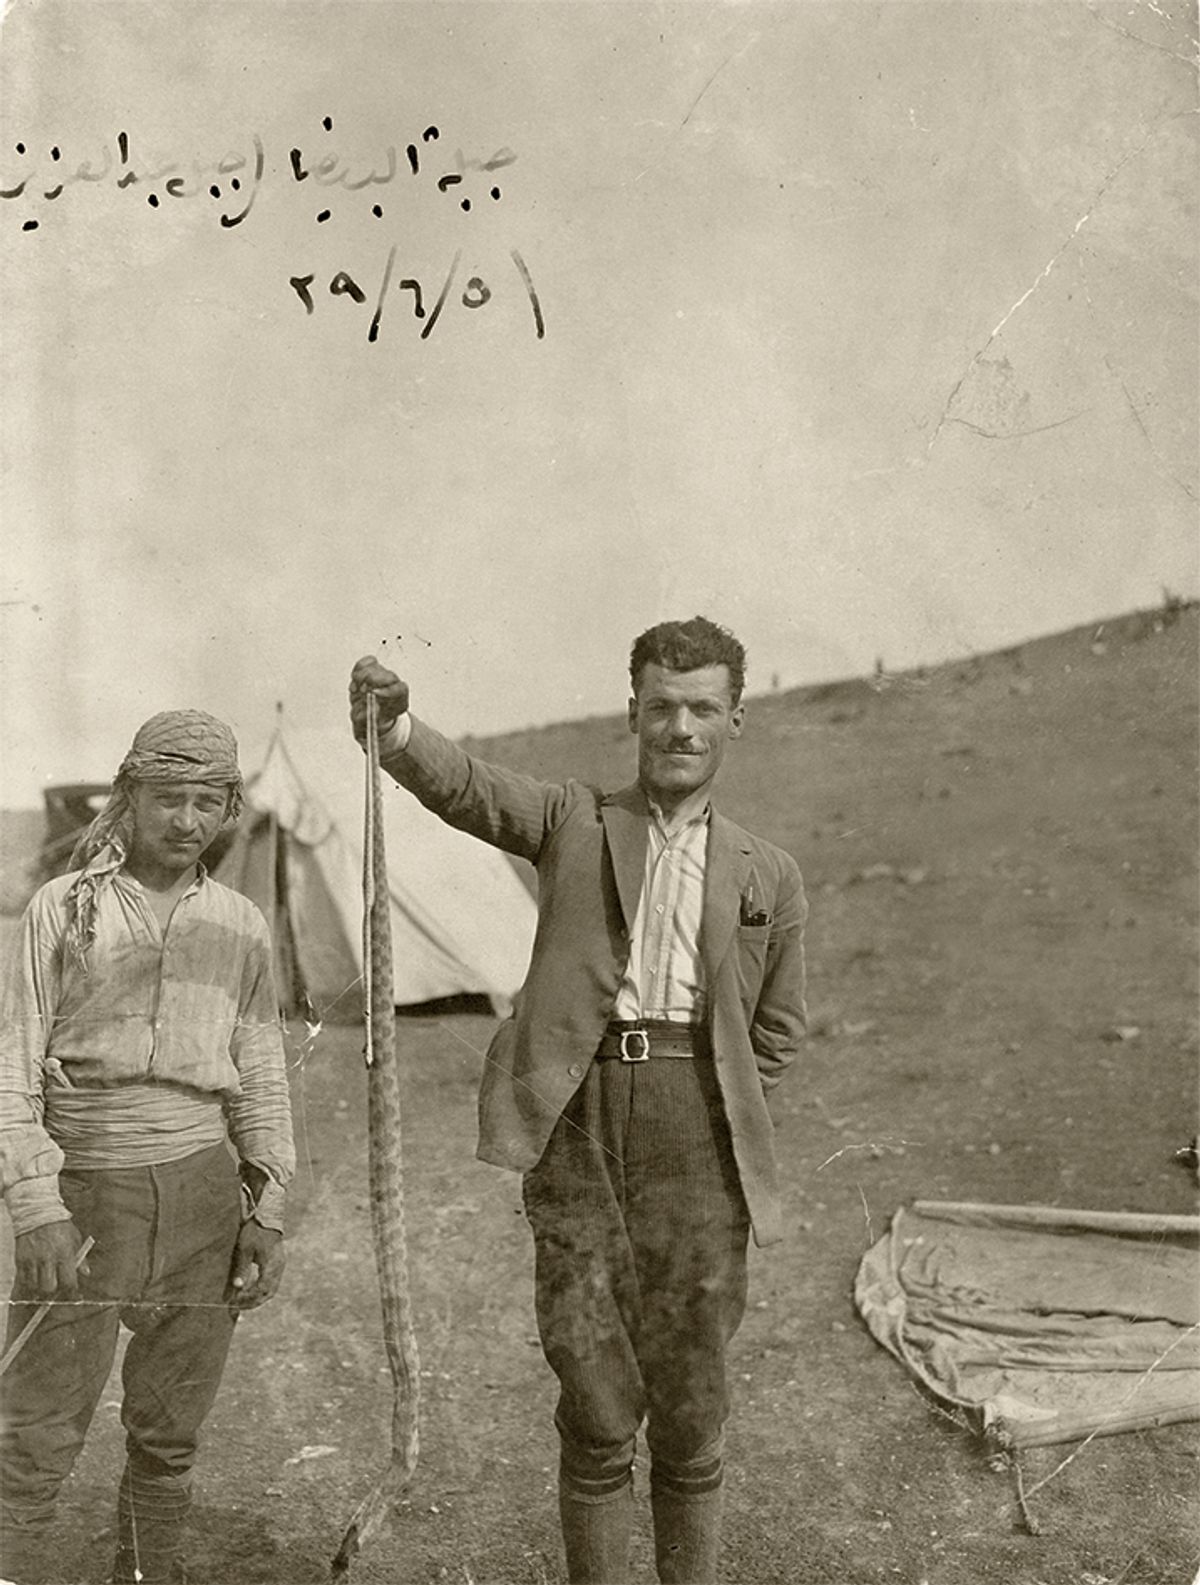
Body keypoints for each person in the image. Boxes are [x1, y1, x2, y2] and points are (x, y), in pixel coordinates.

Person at [349, 616, 807, 1584]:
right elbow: (470, 790)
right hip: (580, 1120)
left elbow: (777, 1029)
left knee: (691, 1399)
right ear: (632, 711)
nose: (680, 727)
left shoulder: (769, 872)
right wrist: (395, 731)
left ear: (736, 720)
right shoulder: (573, 818)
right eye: (662, 707)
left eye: (703, 709)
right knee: (595, 1394)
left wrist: (719, 1102)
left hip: (700, 1138)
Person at [0, 710, 296, 1585]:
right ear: (128, 797)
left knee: (169, 1430)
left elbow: (262, 1065)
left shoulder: (241, 922)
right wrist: (35, 1206)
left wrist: (267, 1206)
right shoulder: (65, 908)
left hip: (205, 1196)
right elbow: (12, 1065)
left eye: (209, 802)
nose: (188, 820)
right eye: (169, 798)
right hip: (89, 1192)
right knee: (36, 1427)